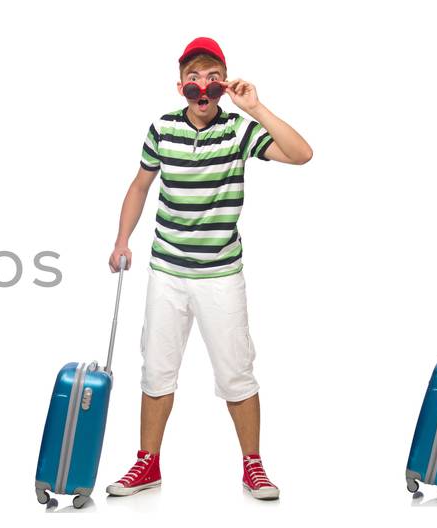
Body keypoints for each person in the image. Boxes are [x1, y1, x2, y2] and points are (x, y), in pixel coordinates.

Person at [103, 37, 312, 501]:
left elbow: (301, 154)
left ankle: (253, 466)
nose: (203, 89)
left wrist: (256, 107)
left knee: (237, 373)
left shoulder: (239, 130)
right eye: (193, 80)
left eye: (212, 80)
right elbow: (140, 187)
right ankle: (147, 464)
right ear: (180, 86)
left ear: (223, 85)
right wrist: (122, 240)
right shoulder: (161, 128)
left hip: (221, 275)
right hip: (167, 273)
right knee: (156, 371)